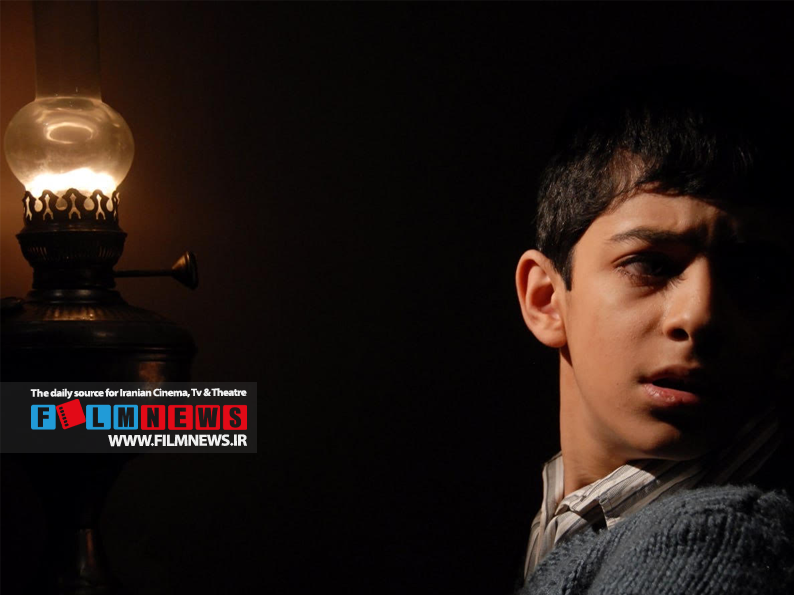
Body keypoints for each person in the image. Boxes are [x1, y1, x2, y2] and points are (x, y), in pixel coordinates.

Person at [513, 69, 794, 594]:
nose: (699, 316)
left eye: (756, 278)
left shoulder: (714, 548)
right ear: (546, 300)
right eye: (651, 264)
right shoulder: (571, 517)